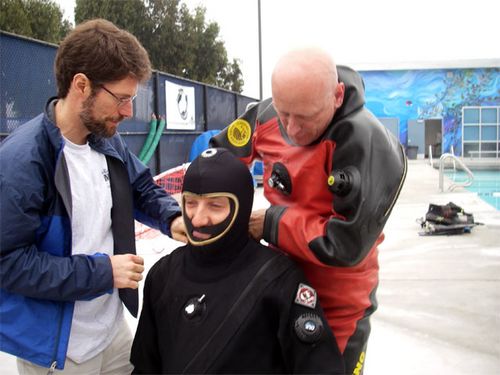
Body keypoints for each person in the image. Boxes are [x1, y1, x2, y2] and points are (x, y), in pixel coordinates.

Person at [0, 19, 184, 374]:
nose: (129, 111)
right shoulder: (24, 161)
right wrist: (101, 273)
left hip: (112, 332)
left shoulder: (106, 140)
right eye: (122, 98)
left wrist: (173, 219)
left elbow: (140, 186)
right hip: (61, 350)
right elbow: (8, 263)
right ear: (81, 85)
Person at [210, 48, 407, 374]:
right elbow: (219, 160)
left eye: (306, 117)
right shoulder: (266, 115)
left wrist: (268, 222)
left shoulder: (365, 142)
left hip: (340, 306)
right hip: (279, 288)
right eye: (285, 114)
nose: (293, 129)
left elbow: (345, 244)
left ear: (337, 95)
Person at [130, 147, 345, 374]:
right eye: (191, 203)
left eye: (215, 205)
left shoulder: (279, 280)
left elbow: (321, 368)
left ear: (241, 209)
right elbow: (146, 367)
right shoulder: (163, 274)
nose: (199, 219)